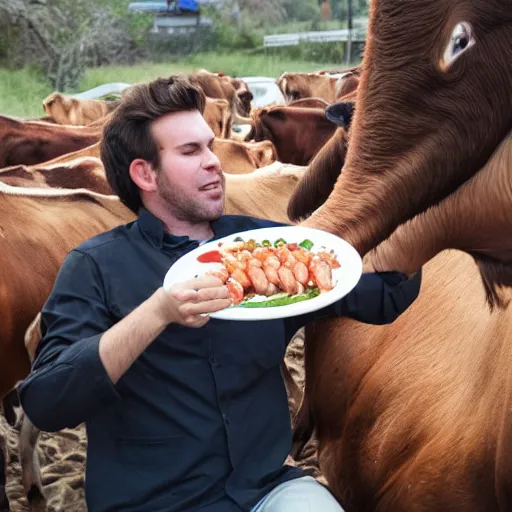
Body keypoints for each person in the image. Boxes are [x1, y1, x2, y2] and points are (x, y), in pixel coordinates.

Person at [19, 75, 421, 512]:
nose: (214, 162)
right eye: (191, 151)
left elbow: (382, 297)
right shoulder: (94, 266)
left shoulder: (263, 247)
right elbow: (47, 401)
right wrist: (157, 312)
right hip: (150, 502)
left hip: (265, 490)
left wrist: (412, 210)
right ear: (144, 174)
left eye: (210, 146)